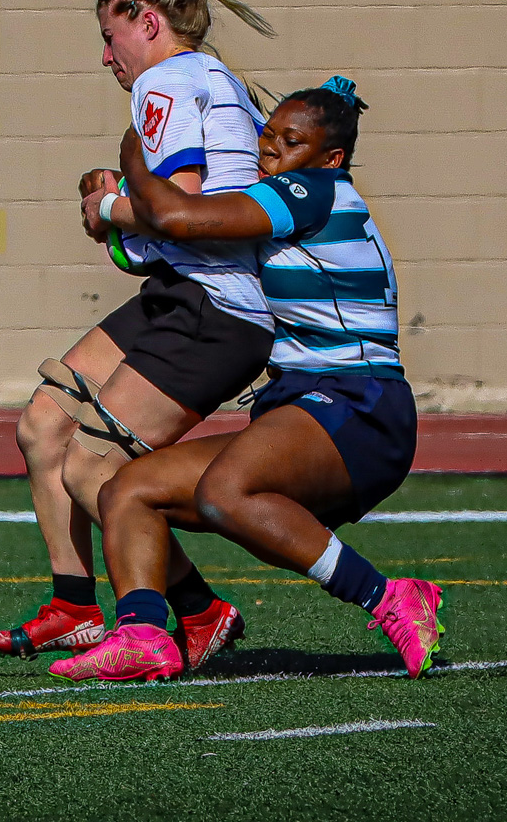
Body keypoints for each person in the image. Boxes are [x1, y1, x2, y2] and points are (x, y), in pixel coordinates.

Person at [50, 79, 442, 683]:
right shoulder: (278, 204)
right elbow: (162, 246)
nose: (270, 150)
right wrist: (111, 215)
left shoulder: (312, 190)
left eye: (291, 140)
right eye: (266, 136)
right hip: (308, 404)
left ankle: (389, 597)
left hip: (359, 404)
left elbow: (178, 216)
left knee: (224, 491)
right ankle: (145, 633)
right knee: (128, 490)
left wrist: (133, 161)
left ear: (330, 158)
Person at [0, 0, 276, 671]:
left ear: (147, 20)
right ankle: (74, 605)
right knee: (43, 424)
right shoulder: (201, 77)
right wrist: (116, 222)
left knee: (89, 464)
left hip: (218, 307)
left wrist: (110, 207)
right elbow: (172, 226)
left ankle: (194, 614)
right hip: (184, 288)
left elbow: (180, 205)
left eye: (110, 36)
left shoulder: (168, 80)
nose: (106, 57)